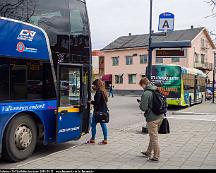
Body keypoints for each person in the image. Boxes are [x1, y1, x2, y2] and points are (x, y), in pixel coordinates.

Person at [139, 77, 164, 162]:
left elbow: (143, 108)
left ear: (143, 84)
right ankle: (148, 152)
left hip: (152, 118)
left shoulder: (146, 93)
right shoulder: (156, 89)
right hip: (160, 116)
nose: (142, 87)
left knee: (154, 137)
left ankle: (156, 156)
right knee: (153, 136)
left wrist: (140, 104)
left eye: (141, 86)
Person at [87, 79, 109, 145]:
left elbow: (97, 102)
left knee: (93, 125)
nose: (93, 86)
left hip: (98, 111)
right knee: (103, 125)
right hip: (103, 111)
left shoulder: (98, 92)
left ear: (97, 85)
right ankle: (105, 140)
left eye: (94, 85)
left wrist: (91, 102)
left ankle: (93, 139)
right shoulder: (103, 91)